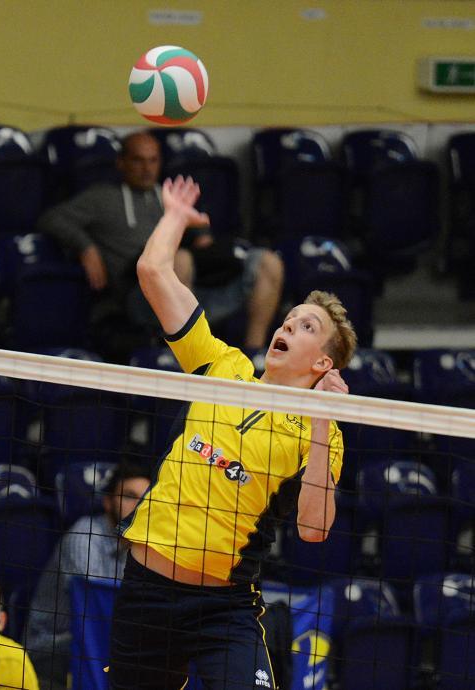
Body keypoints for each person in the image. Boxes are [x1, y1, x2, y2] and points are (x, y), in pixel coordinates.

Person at [109, 175, 356, 690]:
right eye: (289, 319)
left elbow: (314, 530)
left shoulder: (322, 435)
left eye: (306, 327)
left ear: (323, 363)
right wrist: (175, 216)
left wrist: (321, 420)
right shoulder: (222, 365)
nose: (287, 327)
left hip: (222, 607)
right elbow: (152, 272)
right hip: (145, 593)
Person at [37, 131, 284, 360]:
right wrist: (86, 247)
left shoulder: (169, 195)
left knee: (267, 262)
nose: (147, 169)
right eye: (138, 160)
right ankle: (185, 353)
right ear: (121, 163)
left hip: (191, 291)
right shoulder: (101, 198)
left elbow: (203, 237)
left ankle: (255, 356)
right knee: (180, 260)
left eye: (153, 160)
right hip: (138, 297)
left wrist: (208, 247)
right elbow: (51, 218)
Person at [24, 460, 150, 689]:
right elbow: (98, 612)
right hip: (53, 646)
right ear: (108, 502)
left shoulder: (143, 545)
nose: (138, 506)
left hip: (104, 641)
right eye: (129, 497)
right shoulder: (84, 537)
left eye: (145, 499)